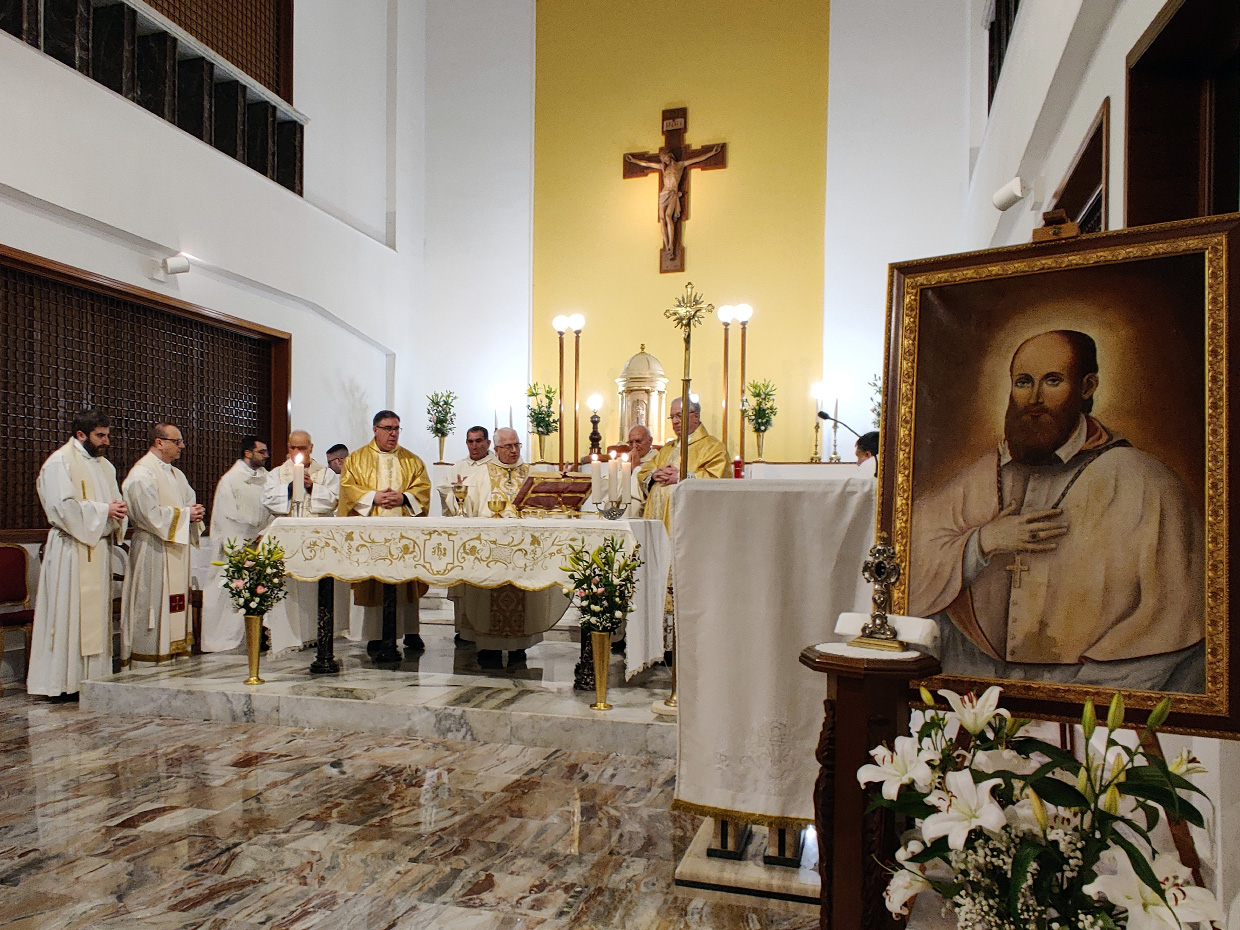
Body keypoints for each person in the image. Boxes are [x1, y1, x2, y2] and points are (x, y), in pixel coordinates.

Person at [909, 330, 1205, 691]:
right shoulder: (985, 474)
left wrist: (1079, 697)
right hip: (977, 680)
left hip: (1097, 688)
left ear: (1087, 386)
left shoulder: (1146, 482)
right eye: (1022, 382)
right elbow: (909, 560)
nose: (1034, 398)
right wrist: (982, 541)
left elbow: (1173, 618)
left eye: (1052, 381)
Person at [27, 410, 129, 698]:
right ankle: (63, 683)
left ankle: (93, 679)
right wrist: (103, 511)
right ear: (80, 435)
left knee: (95, 616)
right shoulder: (60, 463)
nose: (106, 441)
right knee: (68, 614)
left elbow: (114, 502)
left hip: (96, 548)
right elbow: (61, 507)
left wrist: (118, 512)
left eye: (107, 435)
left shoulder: (105, 466)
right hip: (71, 549)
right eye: (100, 435)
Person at [448, 427, 568, 668]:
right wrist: (457, 494)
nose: (513, 451)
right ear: (497, 448)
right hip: (489, 552)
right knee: (486, 599)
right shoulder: (482, 473)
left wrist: (561, 485)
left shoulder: (533, 474)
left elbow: (550, 505)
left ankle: (518, 647)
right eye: (508, 447)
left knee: (523, 598)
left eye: (516, 445)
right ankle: (488, 647)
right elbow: (462, 505)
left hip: (523, 552)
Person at [338, 410, 431, 658]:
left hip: (403, 537)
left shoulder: (412, 461)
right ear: (375, 429)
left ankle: (408, 631)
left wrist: (403, 498)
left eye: (397, 428)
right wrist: (373, 497)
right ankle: (374, 636)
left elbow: (423, 490)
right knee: (373, 581)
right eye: (388, 428)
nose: (393, 434)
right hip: (370, 538)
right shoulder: (356, 460)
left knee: (402, 582)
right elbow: (348, 489)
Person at [120, 423, 205, 663]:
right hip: (153, 550)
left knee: (174, 603)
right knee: (152, 603)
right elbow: (148, 515)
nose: (182, 446)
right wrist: (186, 515)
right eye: (177, 441)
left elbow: (188, 502)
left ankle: (175, 653)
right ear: (159, 442)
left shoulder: (176, 474)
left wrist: (194, 513)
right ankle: (147, 657)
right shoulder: (142, 474)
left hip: (174, 548)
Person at [259, 430, 343, 652]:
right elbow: (268, 500)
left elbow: (334, 501)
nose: (298, 452)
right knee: (287, 589)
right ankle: (288, 636)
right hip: (286, 540)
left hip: (317, 541)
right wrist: (289, 488)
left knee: (314, 588)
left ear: (311, 448)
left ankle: (317, 634)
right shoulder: (276, 474)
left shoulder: (325, 475)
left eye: (302, 448)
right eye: (293, 448)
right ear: (288, 448)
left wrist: (312, 488)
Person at [200, 436, 273, 652]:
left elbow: (273, 510)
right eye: (261, 452)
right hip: (238, 548)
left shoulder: (267, 479)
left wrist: (265, 533)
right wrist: (248, 538)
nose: (266, 456)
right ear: (248, 453)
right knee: (231, 594)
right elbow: (227, 517)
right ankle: (227, 641)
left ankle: (257, 636)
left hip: (260, 545)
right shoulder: (230, 480)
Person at [638, 397, 731, 531]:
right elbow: (645, 471)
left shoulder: (713, 447)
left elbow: (716, 478)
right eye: (672, 417)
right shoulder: (668, 448)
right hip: (657, 515)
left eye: (679, 416)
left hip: (690, 521)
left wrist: (682, 477)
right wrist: (654, 475)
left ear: (695, 416)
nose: (675, 421)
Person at [625, 144, 722, 254]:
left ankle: (671, 244)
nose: (663, 160)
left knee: (668, 216)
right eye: (661, 159)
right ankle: (666, 245)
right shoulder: (663, 167)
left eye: (664, 157)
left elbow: (697, 159)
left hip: (673, 193)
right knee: (661, 218)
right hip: (663, 194)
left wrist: (712, 153)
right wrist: (633, 160)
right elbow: (647, 163)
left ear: (669, 155)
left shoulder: (680, 165)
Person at [438, 425, 496, 515]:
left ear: (488, 443)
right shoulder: (458, 467)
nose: (474, 446)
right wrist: (456, 494)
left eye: (478, 441)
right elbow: (444, 490)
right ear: (466, 443)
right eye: (470, 442)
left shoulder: (496, 466)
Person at [625, 423, 658, 516]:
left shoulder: (657, 459)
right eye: (631, 442)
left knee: (634, 504)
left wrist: (636, 470)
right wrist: (626, 471)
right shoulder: (623, 460)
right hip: (622, 501)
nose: (634, 446)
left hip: (644, 502)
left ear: (650, 441)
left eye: (638, 441)